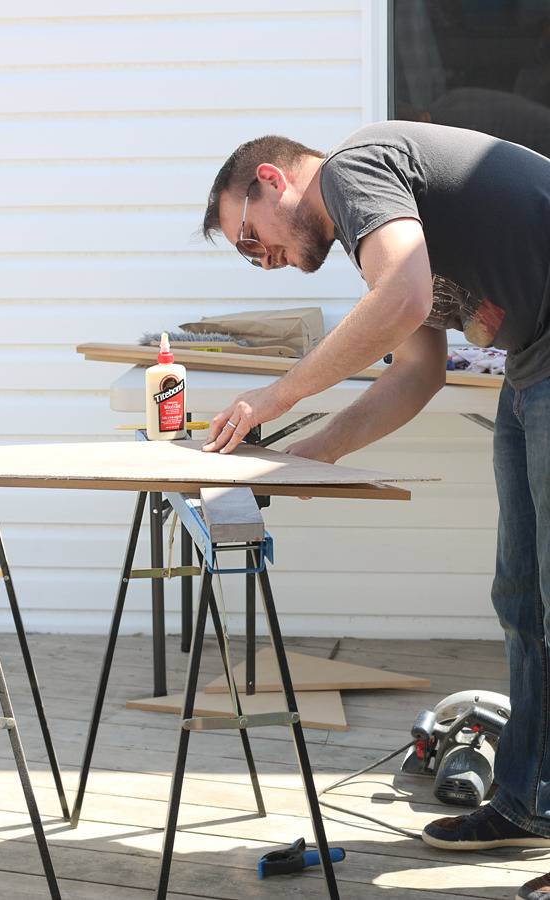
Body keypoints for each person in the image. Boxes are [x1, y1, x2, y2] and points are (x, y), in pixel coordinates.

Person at [200, 120, 550, 900]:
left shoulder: (353, 169)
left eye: (251, 238)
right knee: (524, 601)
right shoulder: (388, 232)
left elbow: (405, 296)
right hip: (534, 366)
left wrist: (277, 394)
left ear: (272, 180)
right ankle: (528, 803)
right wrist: (308, 454)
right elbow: (416, 374)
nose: (262, 259)